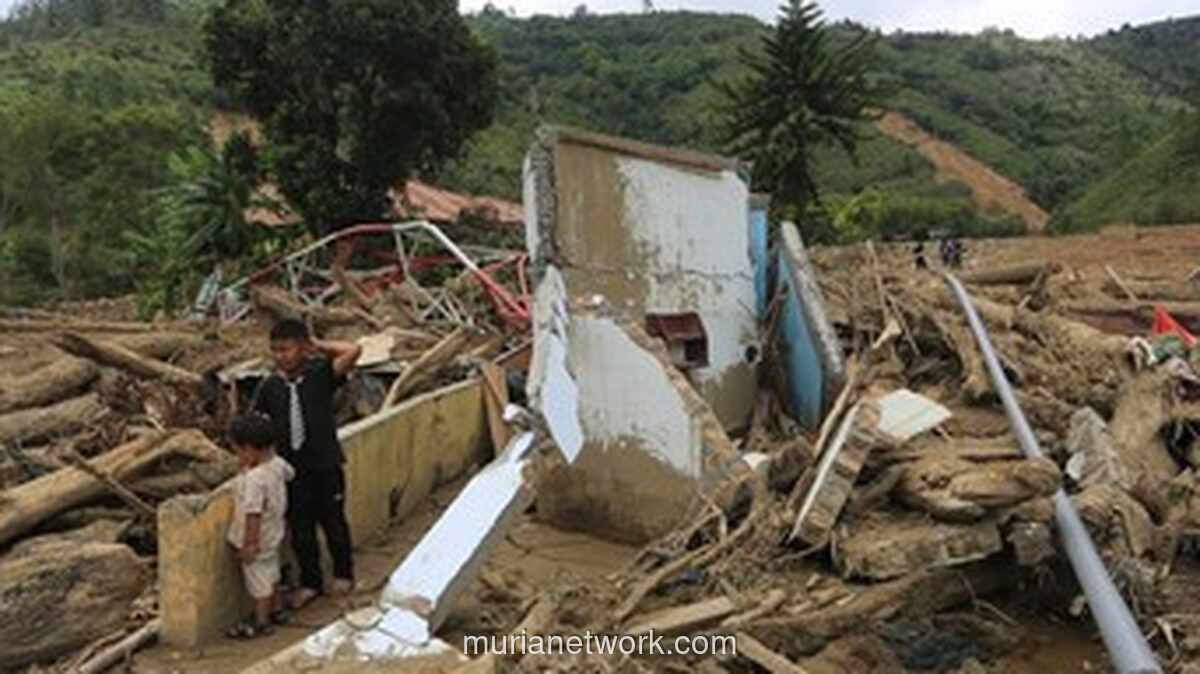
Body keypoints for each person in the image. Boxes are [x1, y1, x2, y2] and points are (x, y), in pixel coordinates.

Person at [253, 318, 362, 609]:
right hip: (291, 471)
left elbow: (353, 350)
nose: (280, 356)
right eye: (275, 350)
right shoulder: (269, 387)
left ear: (302, 348)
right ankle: (310, 582)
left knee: (333, 521)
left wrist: (317, 345)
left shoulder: (320, 375)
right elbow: (258, 424)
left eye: (287, 349)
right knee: (301, 528)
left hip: (325, 464)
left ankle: (343, 574)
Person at [226, 413, 295, 639]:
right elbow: (290, 474)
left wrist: (250, 545)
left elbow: (253, 514)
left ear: (248, 449)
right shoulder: (277, 465)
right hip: (274, 532)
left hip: (258, 538)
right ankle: (277, 610)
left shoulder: (255, 480)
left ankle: (261, 621)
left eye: (237, 451)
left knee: (259, 584)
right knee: (272, 574)